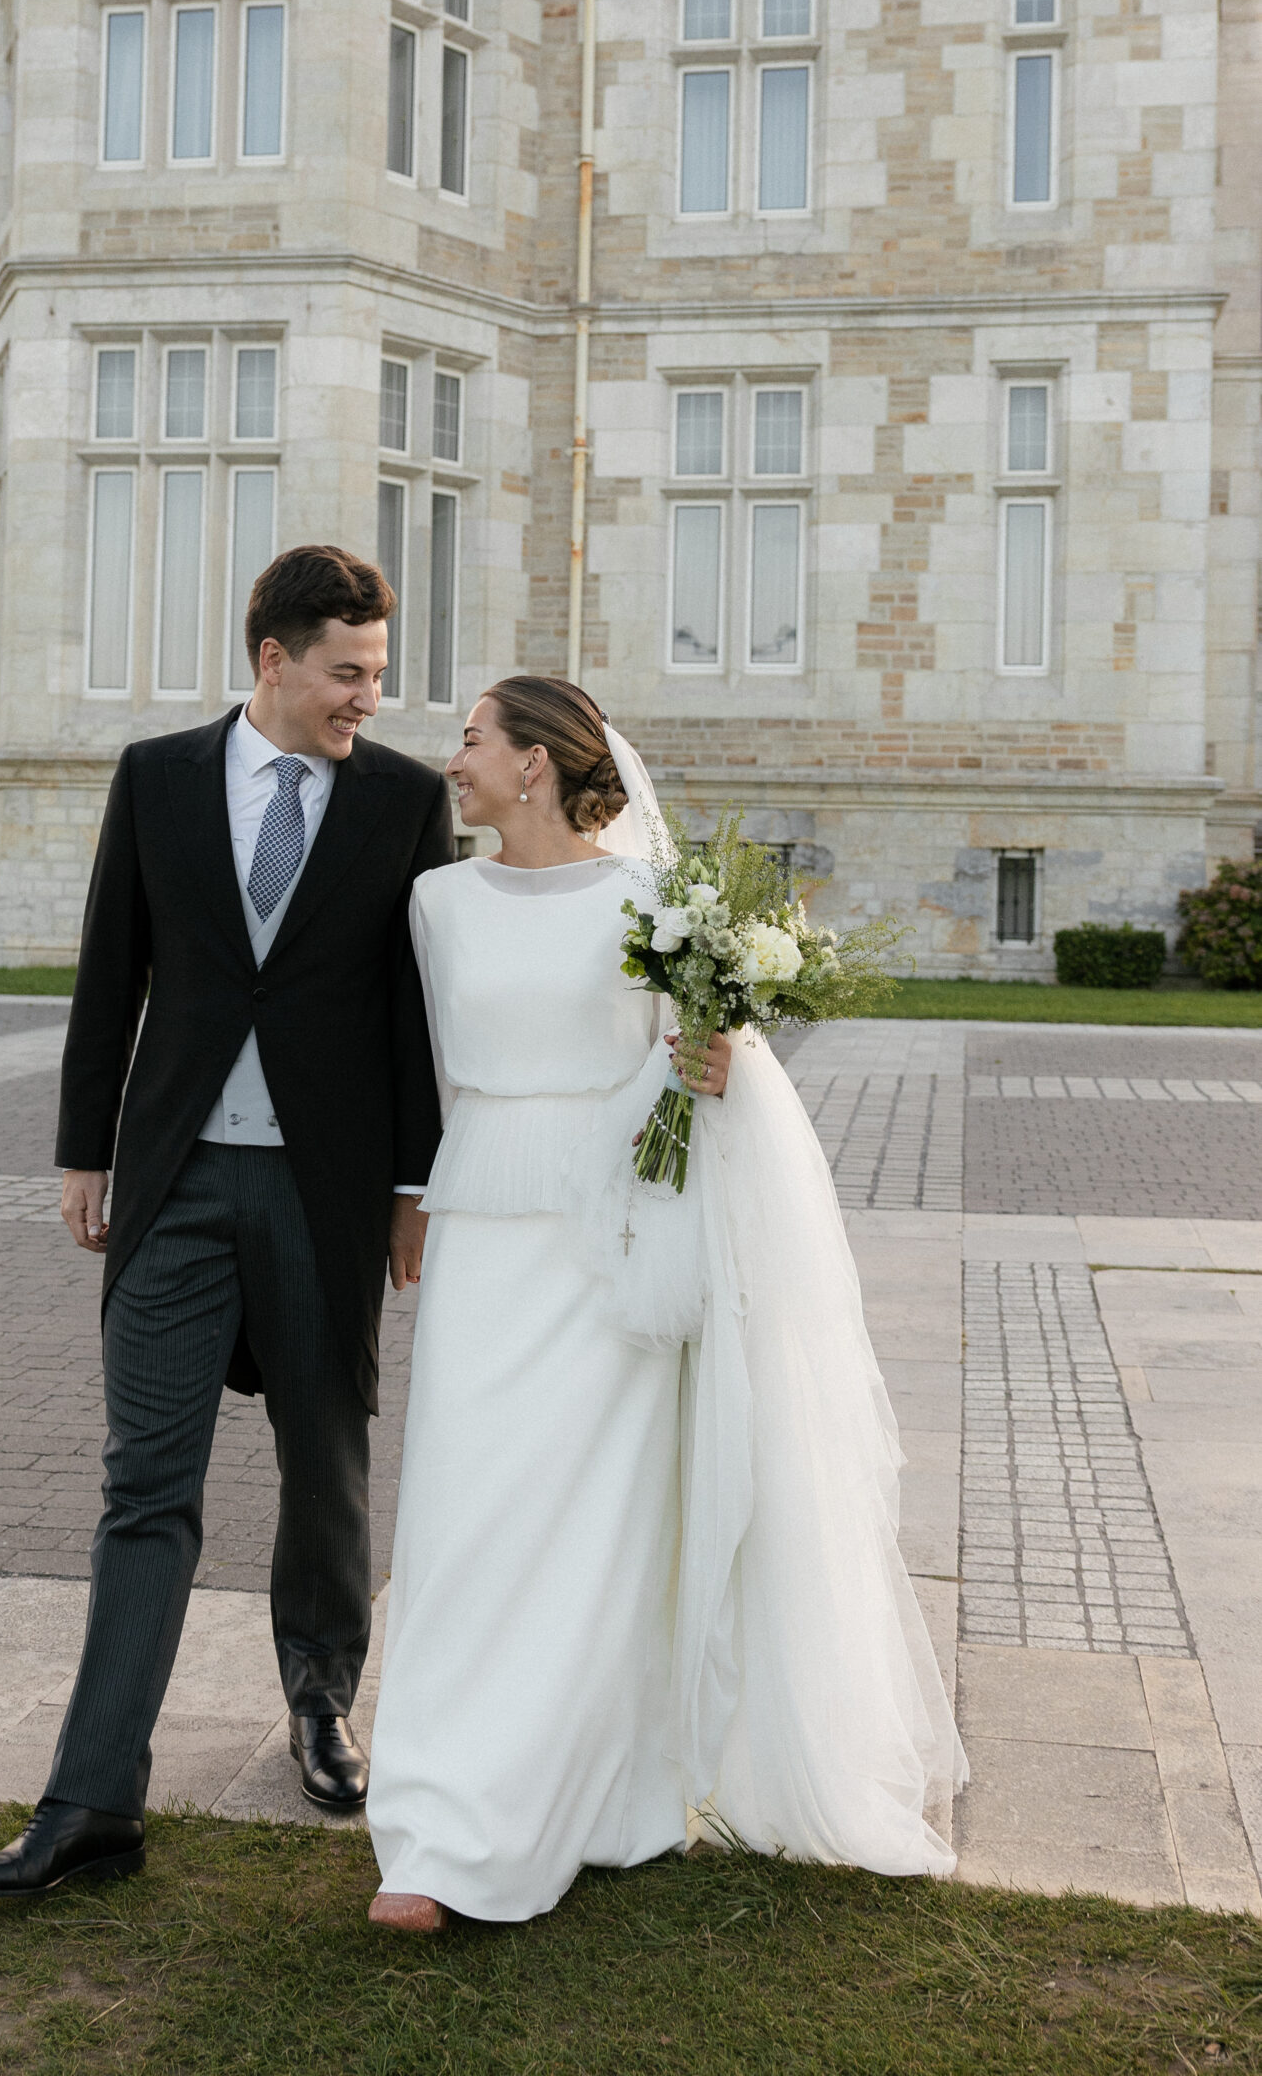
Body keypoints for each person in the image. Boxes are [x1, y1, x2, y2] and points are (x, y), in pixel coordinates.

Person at [365, 676, 966, 1931]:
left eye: (471, 738)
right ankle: (436, 1820)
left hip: (612, 1245)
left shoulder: (652, 905)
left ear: (534, 762)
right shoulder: (435, 902)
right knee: (464, 1513)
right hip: (486, 1235)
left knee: (594, 1528)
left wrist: (715, 1059)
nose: (453, 759)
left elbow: (694, 1085)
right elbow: (423, 1077)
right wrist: (406, 1201)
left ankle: (594, 1792)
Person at [0, 545, 453, 1898]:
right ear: (271, 661)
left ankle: (319, 1705)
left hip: (323, 1191)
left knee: (323, 1463)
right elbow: (111, 966)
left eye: (378, 676)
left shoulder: (401, 801)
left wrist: (412, 1189)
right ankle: (91, 1797)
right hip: (172, 1188)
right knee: (142, 1491)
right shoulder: (156, 777)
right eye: (345, 674)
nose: (365, 699)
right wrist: (80, 1149)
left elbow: (415, 1014)